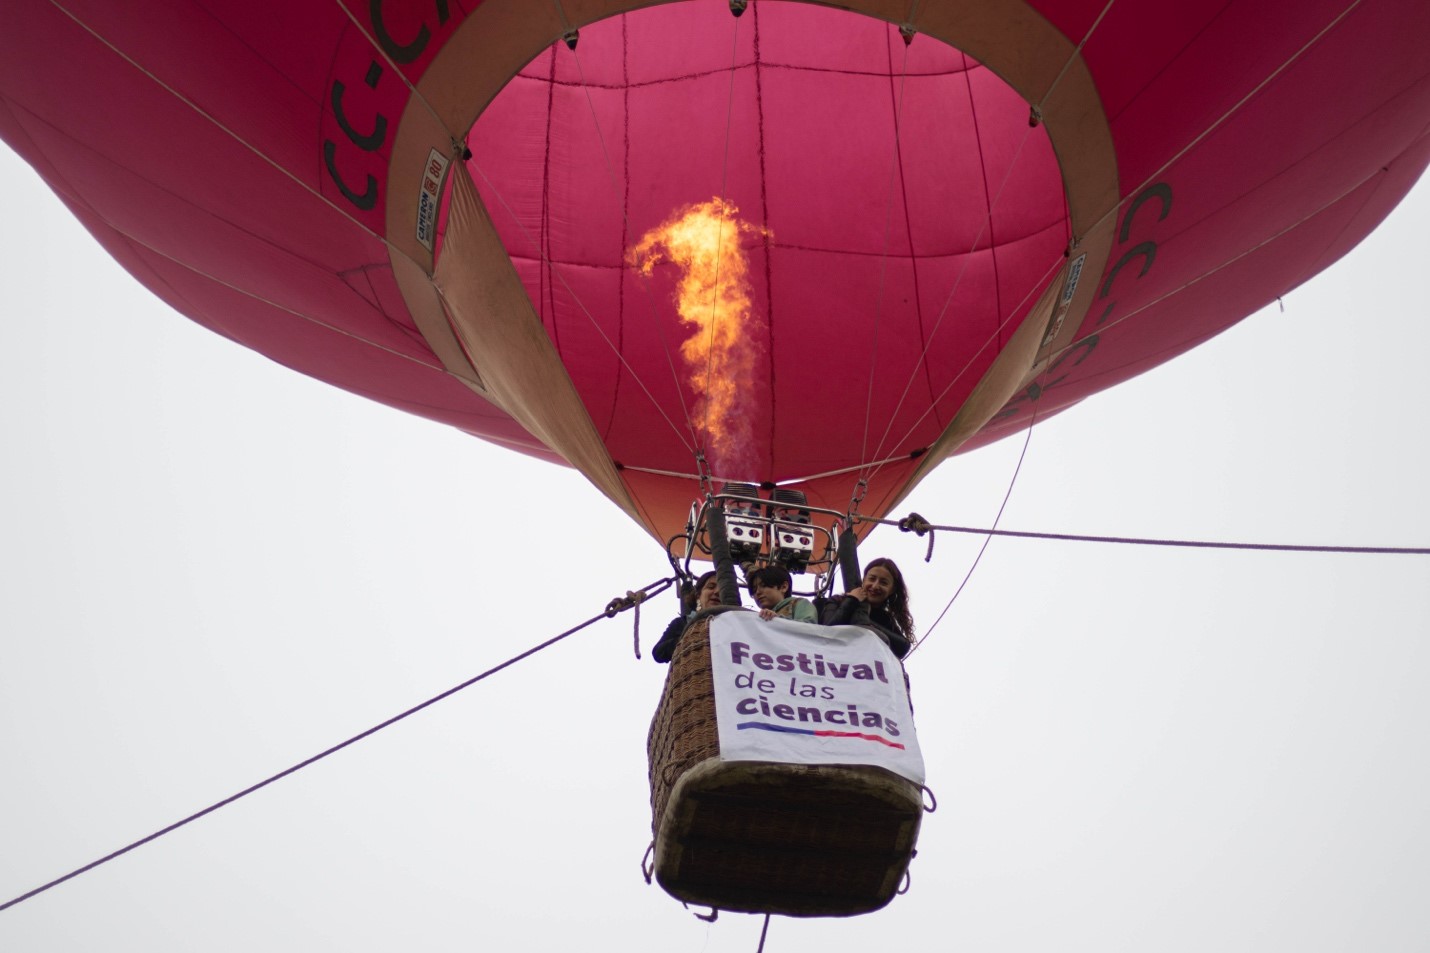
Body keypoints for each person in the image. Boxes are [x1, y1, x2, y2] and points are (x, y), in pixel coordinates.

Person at [819, 557, 914, 658]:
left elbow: (903, 647)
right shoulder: (837, 601)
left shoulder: (885, 618)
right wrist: (851, 600)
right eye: (872, 579)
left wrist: (866, 623)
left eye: (883, 583)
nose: (875, 586)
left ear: (891, 590)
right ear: (863, 580)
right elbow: (827, 630)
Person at [652, 570, 723, 663]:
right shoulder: (681, 623)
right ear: (698, 596)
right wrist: (690, 638)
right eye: (711, 587)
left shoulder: (733, 625)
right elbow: (658, 653)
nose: (717, 591)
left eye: (722, 590)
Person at [748, 565, 818, 623]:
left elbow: (809, 627)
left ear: (784, 587)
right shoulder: (757, 619)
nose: (757, 592)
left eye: (763, 585)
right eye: (754, 590)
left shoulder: (798, 604)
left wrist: (777, 620)